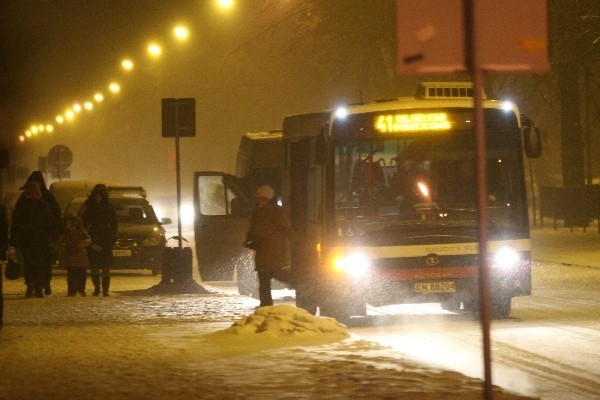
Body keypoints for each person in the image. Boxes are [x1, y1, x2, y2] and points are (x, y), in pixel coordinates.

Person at [14, 171, 61, 295]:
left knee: (41, 262)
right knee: (33, 263)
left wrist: (53, 234)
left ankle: (40, 285)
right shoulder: (27, 202)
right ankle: (33, 284)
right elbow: (17, 221)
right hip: (29, 239)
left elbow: (51, 220)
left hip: (41, 239)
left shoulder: (42, 202)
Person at [248, 185, 295, 307]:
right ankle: (266, 303)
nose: (257, 200)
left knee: (272, 273)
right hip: (264, 250)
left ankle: (299, 283)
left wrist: (296, 239)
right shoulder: (262, 211)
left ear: (266, 198)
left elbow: (285, 228)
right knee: (266, 277)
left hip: (270, 250)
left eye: (260, 198)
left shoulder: (272, 211)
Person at [80, 184, 117, 296]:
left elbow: (114, 225)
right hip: (93, 238)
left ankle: (105, 290)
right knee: (94, 267)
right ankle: (97, 288)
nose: (98, 198)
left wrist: (109, 240)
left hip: (105, 240)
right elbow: (84, 224)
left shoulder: (108, 207)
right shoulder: (89, 207)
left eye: (100, 196)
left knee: (105, 267)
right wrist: (90, 240)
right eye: (96, 196)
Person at [57, 214, 91, 296]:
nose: (72, 226)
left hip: (80, 255)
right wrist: (64, 247)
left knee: (81, 274)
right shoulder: (66, 233)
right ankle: (72, 290)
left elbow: (88, 239)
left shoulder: (81, 231)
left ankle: (81, 289)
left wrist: (81, 244)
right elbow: (60, 243)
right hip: (71, 255)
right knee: (72, 274)